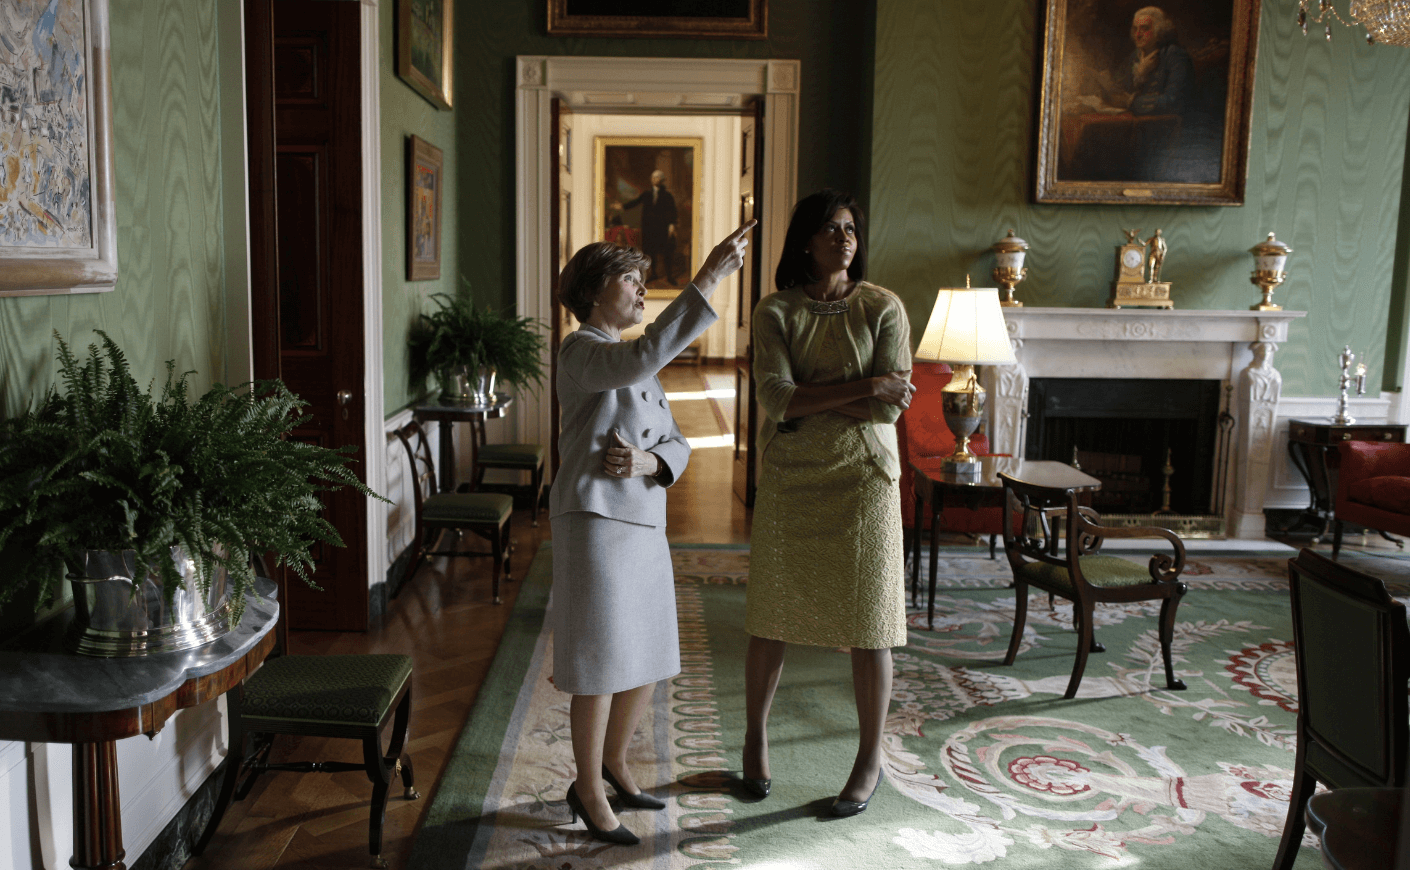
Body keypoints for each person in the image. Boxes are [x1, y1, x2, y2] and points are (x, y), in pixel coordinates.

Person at [550, 219, 756, 845]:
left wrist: (651, 462)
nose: (643, 291)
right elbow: (642, 354)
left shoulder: (636, 365)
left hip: (641, 517)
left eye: (645, 280)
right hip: (595, 521)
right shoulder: (582, 351)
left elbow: (677, 440)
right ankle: (587, 788)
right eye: (630, 280)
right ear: (593, 291)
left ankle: (615, 764)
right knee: (601, 659)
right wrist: (709, 279)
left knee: (648, 651)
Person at [742, 189, 916, 818]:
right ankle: (755, 741)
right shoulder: (774, 312)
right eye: (830, 229)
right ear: (806, 242)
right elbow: (774, 398)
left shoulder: (883, 307)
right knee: (771, 614)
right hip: (792, 477)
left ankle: (868, 761)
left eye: (850, 229)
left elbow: (892, 408)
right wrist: (867, 384)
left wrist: (816, 395)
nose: (844, 239)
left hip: (865, 476)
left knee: (872, 625)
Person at [1096, 6, 1195, 118]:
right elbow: (1120, 92)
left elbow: (1174, 102)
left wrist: (1131, 101)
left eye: (1145, 28)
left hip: (1166, 127)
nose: (1138, 35)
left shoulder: (1174, 55)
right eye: (1135, 29)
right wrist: (1107, 84)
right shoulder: (1134, 56)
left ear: (1159, 30)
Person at [617, 170, 679, 286]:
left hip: (662, 228)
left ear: (661, 180)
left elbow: (672, 211)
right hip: (649, 228)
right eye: (653, 178)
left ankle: (669, 275)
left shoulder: (667, 195)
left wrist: (671, 225)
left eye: (657, 178)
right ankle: (654, 273)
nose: (654, 180)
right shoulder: (647, 194)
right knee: (651, 252)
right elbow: (635, 202)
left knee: (666, 252)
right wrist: (622, 206)